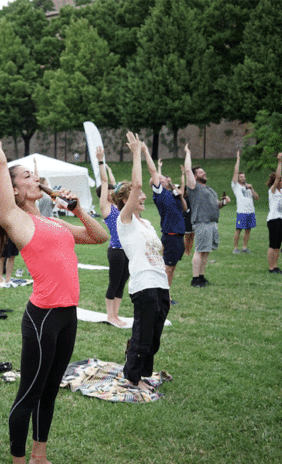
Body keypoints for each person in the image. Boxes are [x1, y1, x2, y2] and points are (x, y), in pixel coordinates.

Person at [0, 90, 108, 464]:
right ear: (13, 189)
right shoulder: (16, 219)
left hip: (68, 315)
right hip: (43, 317)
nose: (36, 178)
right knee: (29, 392)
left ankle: (39, 456)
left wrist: (77, 209)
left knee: (50, 391)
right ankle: (18, 461)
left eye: (35, 174)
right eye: (28, 175)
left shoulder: (50, 219)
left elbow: (101, 236)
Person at [117, 132, 170, 392]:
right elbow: (137, 184)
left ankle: (140, 372)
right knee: (143, 333)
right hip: (143, 284)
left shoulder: (147, 223)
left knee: (155, 336)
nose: (143, 197)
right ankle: (131, 378)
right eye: (137, 196)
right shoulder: (123, 222)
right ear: (127, 200)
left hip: (160, 283)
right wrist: (137, 152)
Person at [184, 144, 231, 287]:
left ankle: (201, 276)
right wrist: (188, 153)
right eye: (201, 172)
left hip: (211, 223)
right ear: (195, 176)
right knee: (199, 250)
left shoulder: (209, 189)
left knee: (206, 251)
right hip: (202, 222)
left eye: (204, 171)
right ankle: (195, 279)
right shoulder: (194, 187)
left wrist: (223, 203)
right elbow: (187, 170)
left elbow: (215, 205)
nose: (204, 173)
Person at [145, 154, 186, 304]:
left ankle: (164, 294)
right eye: (161, 179)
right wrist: (157, 167)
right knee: (168, 268)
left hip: (178, 235)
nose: (165, 179)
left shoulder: (171, 194)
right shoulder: (159, 195)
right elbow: (154, 174)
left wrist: (178, 193)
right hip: (170, 235)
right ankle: (164, 296)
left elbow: (184, 207)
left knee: (172, 267)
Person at [96, 145, 129, 327]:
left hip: (127, 249)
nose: (113, 191)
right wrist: (101, 162)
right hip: (116, 250)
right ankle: (110, 315)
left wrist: (109, 170)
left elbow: (116, 185)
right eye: (109, 190)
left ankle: (116, 315)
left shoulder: (117, 205)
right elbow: (104, 181)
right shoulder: (106, 208)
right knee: (114, 283)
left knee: (122, 283)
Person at [231, 150, 259, 253]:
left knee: (248, 230)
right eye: (241, 177)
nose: (243, 178)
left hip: (250, 211)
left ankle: (244, 247)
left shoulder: (248, 186)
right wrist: (238, 159)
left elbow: (257, 198)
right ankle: (235, 248)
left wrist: (252, 189)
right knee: (238, 230)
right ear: (237, 178)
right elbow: (235, 172)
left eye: (244, 176)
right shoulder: (235, 186)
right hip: (242, 212)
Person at [266, 152, 282, 274]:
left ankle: (275, 266)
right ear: (276, 181)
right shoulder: (272, 191)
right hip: (273, 220)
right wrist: (280, 162)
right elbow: (278, 177)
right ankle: (271, 268)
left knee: (278, 245)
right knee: (272, 244)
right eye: (281, 180)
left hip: (281, 219)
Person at [181, 165, 195, 256]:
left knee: (192, 236)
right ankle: (186, 252)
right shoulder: (183, 198)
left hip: (193, 218)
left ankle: (189, 251)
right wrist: (184, 174)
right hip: (186, 218)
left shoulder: (192, 197)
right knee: (187, 236)